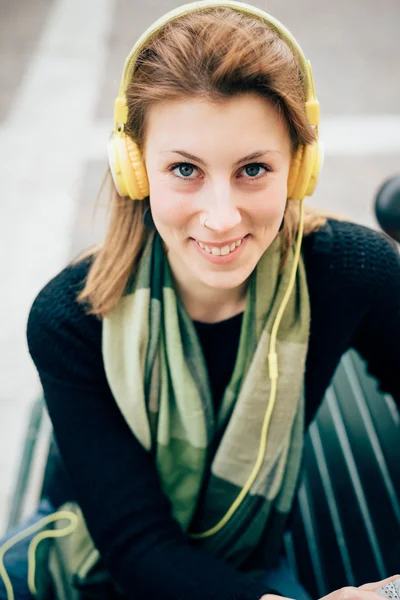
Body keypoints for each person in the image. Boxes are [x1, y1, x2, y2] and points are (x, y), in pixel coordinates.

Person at [1, 1, 399, 599]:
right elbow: (135, 545)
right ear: (136, 170)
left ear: (299, 167)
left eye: (254, 169)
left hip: (251, 555)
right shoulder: (70, 318)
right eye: (185, 169)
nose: (220, 217)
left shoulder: (353, 271)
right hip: (100, 544)